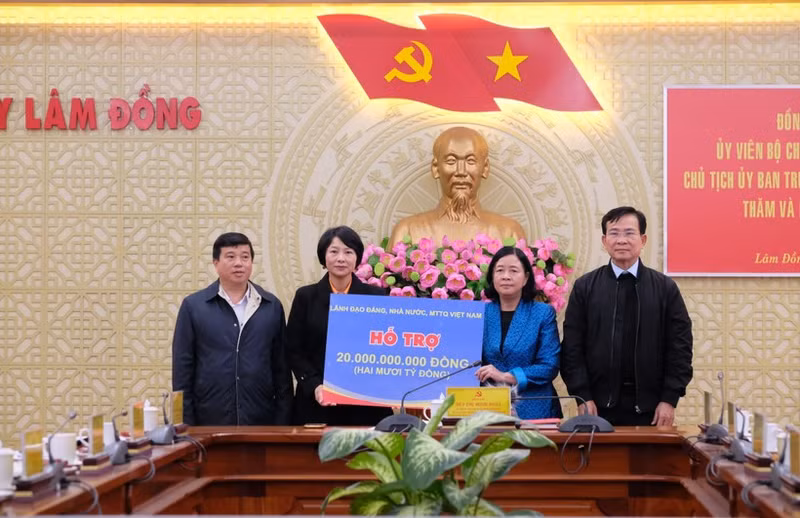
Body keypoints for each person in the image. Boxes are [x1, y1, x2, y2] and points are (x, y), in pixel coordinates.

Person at [561, 207, 693, 426]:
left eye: (629, 233)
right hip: (597, 406)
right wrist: (582, 395)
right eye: (614, 233)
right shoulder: (585, 287)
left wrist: (670, 399)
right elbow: (572, 347)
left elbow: (680, 346)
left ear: (643, 239)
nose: (621, 240)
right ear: (604, 241)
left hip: (652, 408)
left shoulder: (665, 288)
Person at [172, 232, 292, 425]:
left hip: (261, 419)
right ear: (215, 263)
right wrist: (185, 424)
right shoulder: (194, 307)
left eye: (245, 257)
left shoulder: (271, 306)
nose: (239, 263)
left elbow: (282, 371)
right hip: (209, 420)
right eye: (230, 257)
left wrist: (283, 421)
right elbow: (182, 372)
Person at [287, 226, 393, 426]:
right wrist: (315, 385)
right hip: (317, 403)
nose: (341, 258)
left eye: (348, 252)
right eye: (334, 252)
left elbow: (385, 347)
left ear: (357, 258)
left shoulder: (376, 297)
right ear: (324, 257)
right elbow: (294, 350)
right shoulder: (306, 297)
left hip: (364, 404)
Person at [389, 127, 526, 245]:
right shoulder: (407, 231)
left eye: (471, 161)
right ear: (436, 168)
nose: (461, 171)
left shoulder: (509, 232)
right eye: (451, 161)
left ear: (485, 168)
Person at [477, 246, 562, 420]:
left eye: (514, 271)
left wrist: (505, 376)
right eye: (499, 270)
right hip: (487, 410)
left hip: (534, 409)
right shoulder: (479, 314)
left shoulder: (542, 313)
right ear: (492, 276)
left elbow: (549, 366)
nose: (506, 276)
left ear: (526, 278)